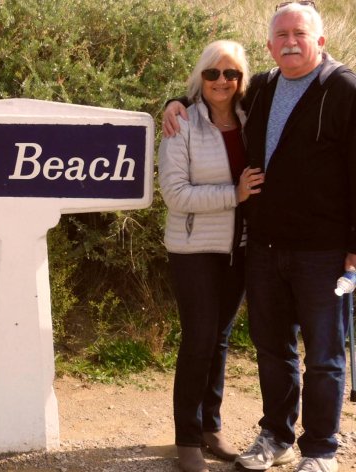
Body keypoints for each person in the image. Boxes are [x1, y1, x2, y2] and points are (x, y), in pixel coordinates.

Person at [163, 3, 356, 471]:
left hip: (324, 253)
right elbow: (214, 95)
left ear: (320, 41)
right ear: (269, 47)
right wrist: (174, 100)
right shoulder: (265, 87)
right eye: (281, 35)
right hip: (264, 249)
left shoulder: (343, 88)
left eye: (300, 33)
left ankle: (320, 450)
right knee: (272, 349)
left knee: (326, 355)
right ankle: (276, 437)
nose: (290, 41)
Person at [159, 39, 263, 472]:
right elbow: (174, 194)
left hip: (238, 249)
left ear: (242, 80)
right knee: (199, 339)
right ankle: (186, 438)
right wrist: (234, 195)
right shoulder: (180, 122)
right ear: (200, 77)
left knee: (218, 340)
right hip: (194, 247)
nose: (222, 81)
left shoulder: (251, 118)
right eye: (213, 73)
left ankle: (210, 426)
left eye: (231, 74)